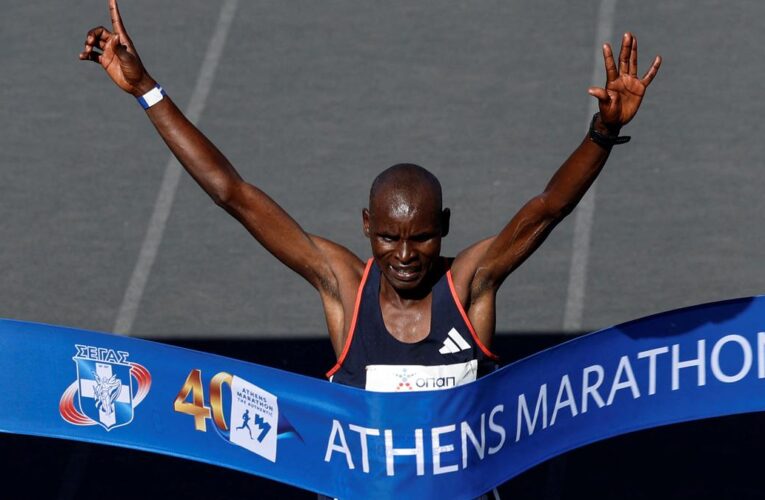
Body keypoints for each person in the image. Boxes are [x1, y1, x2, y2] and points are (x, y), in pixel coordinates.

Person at [80, 2, 660, 392]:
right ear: (365, 227)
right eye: (388, 236)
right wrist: (145, 90)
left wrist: (602, 133)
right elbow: (234, 194)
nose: (404, 254)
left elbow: (548, 208)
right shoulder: (341, 287)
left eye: (421, 236)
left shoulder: (470, 286)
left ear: (446, 227)